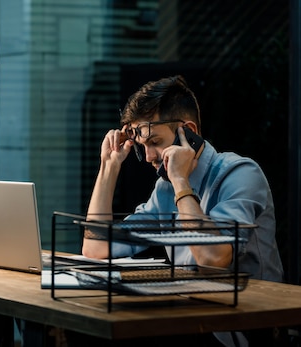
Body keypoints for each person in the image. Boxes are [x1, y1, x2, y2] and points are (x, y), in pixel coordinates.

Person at [80, 75, 284, 346]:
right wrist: (109, 167)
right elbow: (96, 248)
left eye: (155, 141)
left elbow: (212, 259)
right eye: (143, 147)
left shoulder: (241, 173)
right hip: (195, 325)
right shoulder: (165, 191)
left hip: (249, 333)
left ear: (188, 132)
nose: (149, 156)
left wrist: (180, 181)